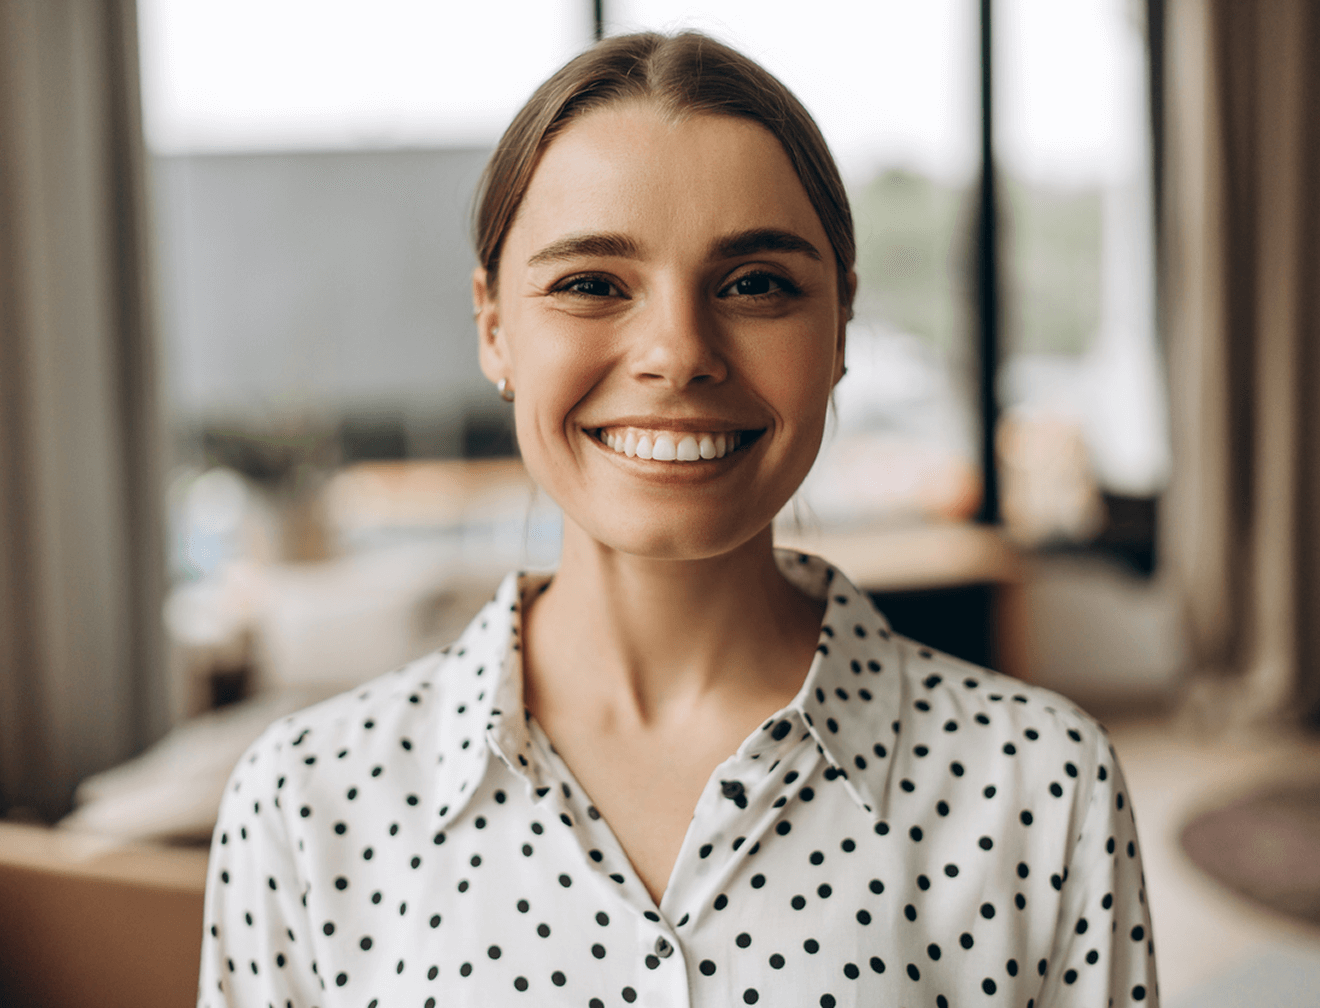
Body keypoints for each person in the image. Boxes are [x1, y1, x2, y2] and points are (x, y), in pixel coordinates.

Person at [198, 31, 1158, 1008]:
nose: (678, 352)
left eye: (755, 285)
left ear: (840, 329)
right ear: (495, 329)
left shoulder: (1042, 787)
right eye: (590, 285)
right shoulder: (304, 804)